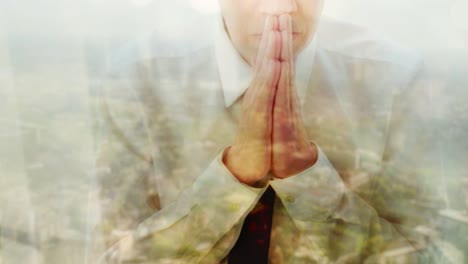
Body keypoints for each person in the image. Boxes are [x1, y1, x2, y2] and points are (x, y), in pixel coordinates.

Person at [94, 0, 440, 263]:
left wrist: (306, 176)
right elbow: (109, 256)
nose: (281, 9)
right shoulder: (139, 76)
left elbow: (426, 253)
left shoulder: (393, 78)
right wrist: (234, 175)